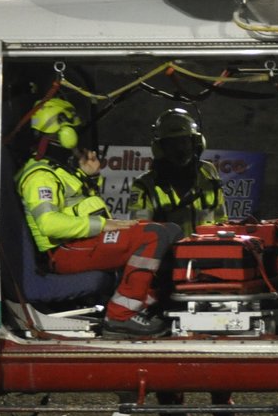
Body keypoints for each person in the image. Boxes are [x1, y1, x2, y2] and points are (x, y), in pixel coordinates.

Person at [130, 107, 245, 416]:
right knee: (166, 357)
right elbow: (141, 236)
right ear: (161, 148)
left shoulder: (208, 175)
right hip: (167, 278)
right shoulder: (145, 187)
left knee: (217, 351)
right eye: (175, 144)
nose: (183, 150)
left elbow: (220, 221)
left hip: (209, 276)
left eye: (187, 142)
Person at [16, 97, 181, 338]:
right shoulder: (40, 177)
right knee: (152, 235)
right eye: (76, 133)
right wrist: (105, 225)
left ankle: (150, 302)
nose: (79, 142)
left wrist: (91, 178)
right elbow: (50, 224)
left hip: (83, 244)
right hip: (64, 252)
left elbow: (82, 208)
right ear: (64, 135)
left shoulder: (61, 171)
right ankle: (120, 316)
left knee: (170, 230)